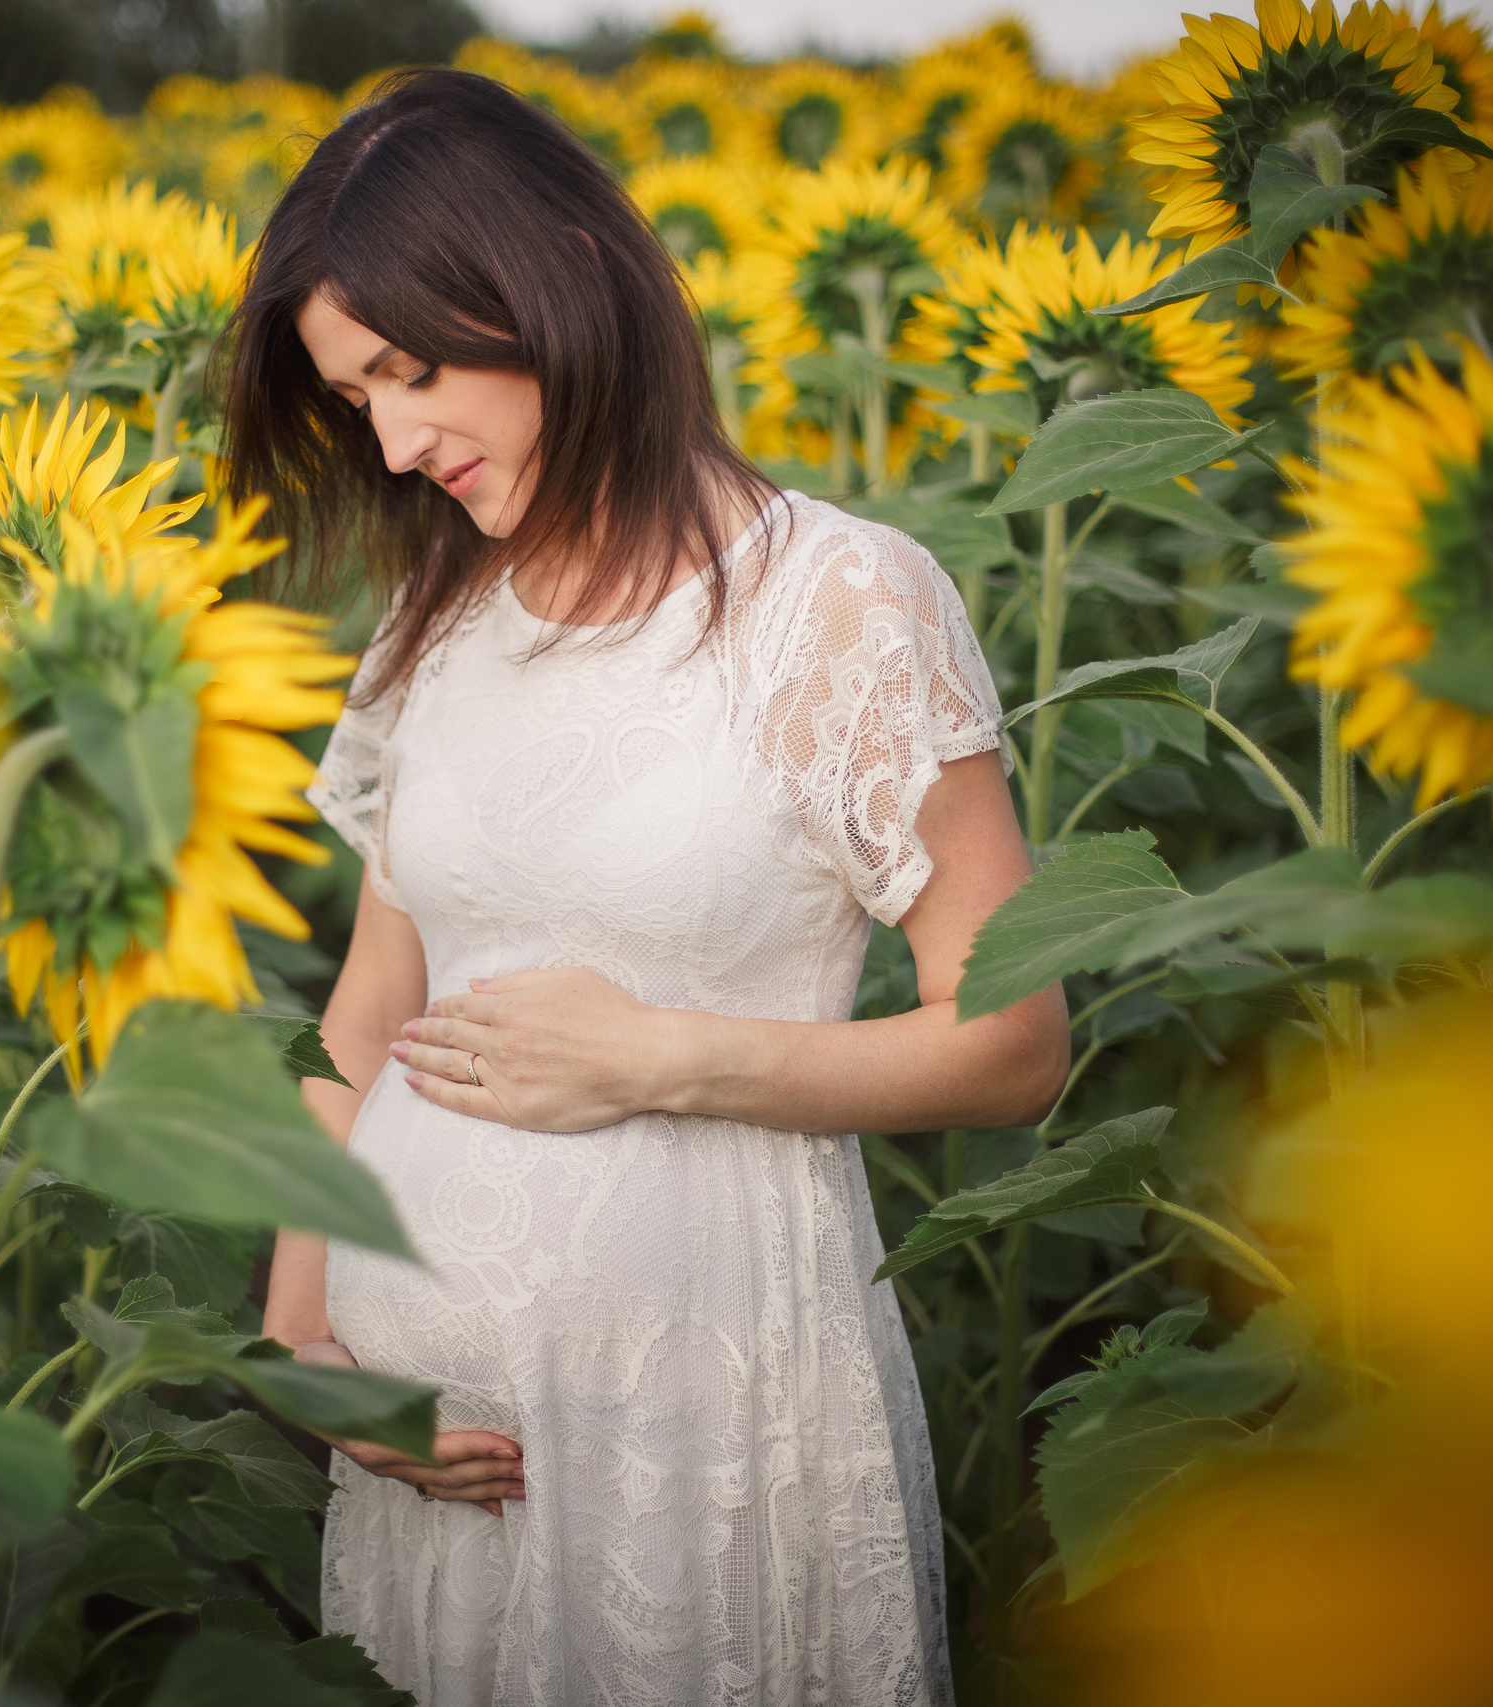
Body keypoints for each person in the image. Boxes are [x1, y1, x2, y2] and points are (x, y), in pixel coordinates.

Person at [227, 67, 1071, 1707]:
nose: (394, 444)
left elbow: (1016, 1038)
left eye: (411, 370)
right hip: (426, 1460)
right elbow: (374, 999)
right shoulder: (431, 629)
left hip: (707, 1434)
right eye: (356, 401)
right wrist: (306, 1346)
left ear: (547, 280)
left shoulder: (837, 608)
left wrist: (666, 1055)